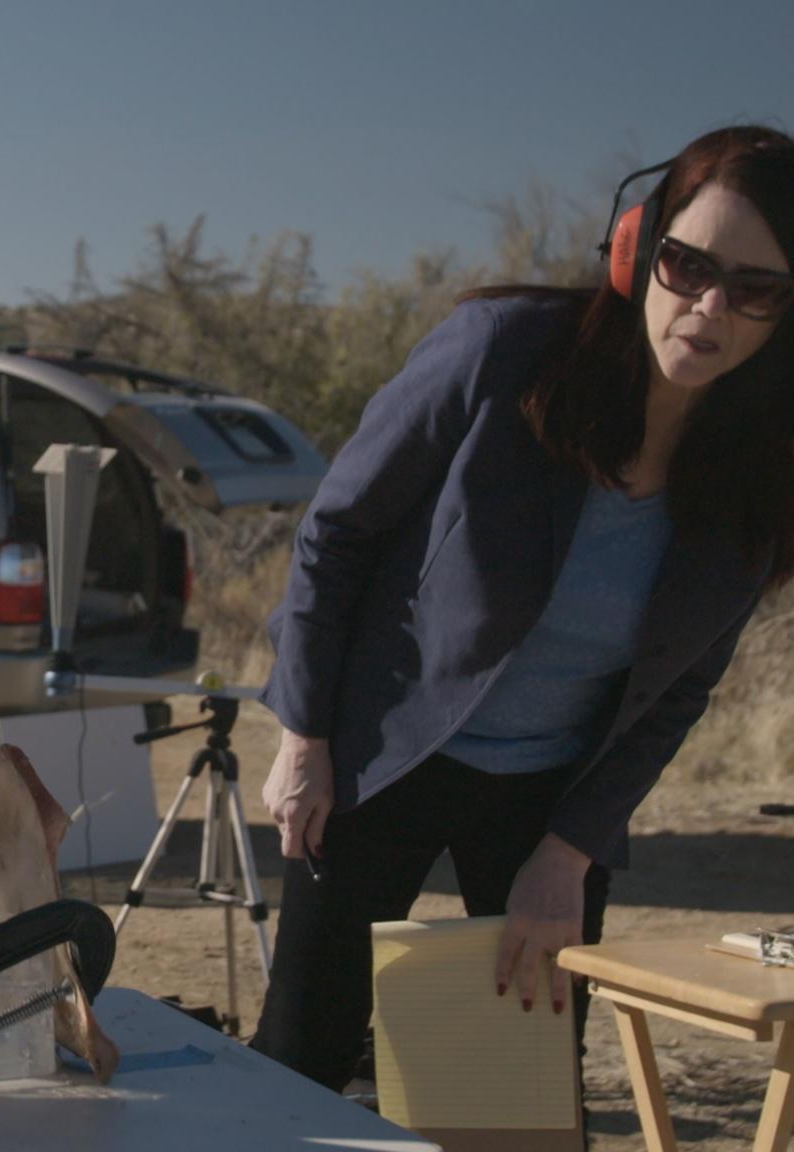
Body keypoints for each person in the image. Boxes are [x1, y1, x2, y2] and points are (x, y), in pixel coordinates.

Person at [250, 125, 794, 1090]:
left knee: (523, 1089)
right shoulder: (502, 353)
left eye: (754, 288)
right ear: (638, 248)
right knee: (299, 1063)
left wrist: (572, 852)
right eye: (687, 263)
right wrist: (303, 738)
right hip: (378, 749)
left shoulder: (765, 478)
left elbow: (678, 691)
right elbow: (335, 535)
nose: (708, 307)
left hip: (551, 794)